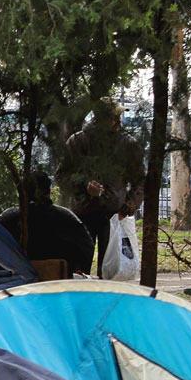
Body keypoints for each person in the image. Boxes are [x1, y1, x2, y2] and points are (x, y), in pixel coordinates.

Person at [56, 99, 146, 273]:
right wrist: (84, 186)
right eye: (114, 117)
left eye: (119, 116)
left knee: (112, 273)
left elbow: (140, 179)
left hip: (115, 216)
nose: (119, 121)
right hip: (83, 214)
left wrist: (133, 202)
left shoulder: (127, 143)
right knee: (79, 272)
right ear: (101, 119)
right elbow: (61, 176)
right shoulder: (77, 142)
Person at [0, 169, 96, 276]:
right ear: (50, 191)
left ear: (22, 192)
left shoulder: (9, 217)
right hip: (58, 280)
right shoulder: (66, 217)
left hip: (16, 279)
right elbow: (88, 248)